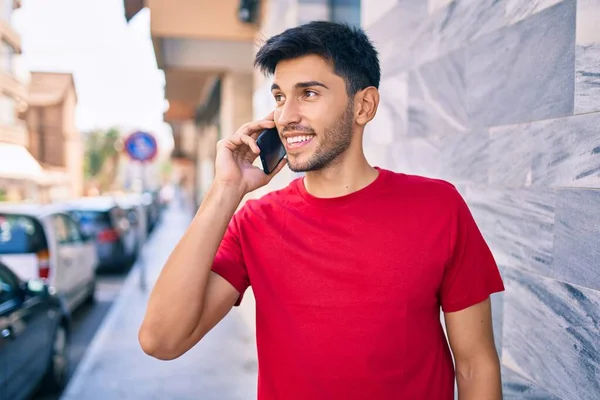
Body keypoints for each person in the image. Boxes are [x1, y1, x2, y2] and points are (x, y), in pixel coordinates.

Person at [139, 21, 505, 400]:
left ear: (363, 106)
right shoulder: (255, 222)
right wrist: (225, 190)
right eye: (280, 97)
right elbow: (161, 340)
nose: (285, 116)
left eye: (308, 94)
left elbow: (475, 364)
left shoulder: (438, 207)